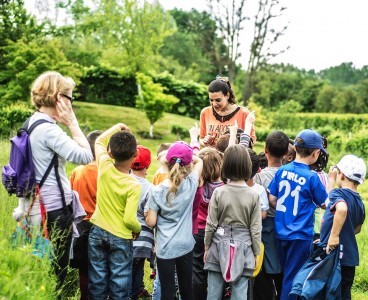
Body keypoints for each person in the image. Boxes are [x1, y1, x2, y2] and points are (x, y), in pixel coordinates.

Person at [28, 71, 93, 291]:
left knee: (42, 264)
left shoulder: (32, 123)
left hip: (38, 205)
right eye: (70, 98)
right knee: (57, 268)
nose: (71, 104)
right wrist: (73, 123)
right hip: (55, 209)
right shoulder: (49, 131)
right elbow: (85, 156)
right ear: (59, 98)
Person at [268, 129, 328, 300]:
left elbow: (272, 198)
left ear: (294, 147)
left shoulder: (282, 170)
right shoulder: (312, 178)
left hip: (280, 232)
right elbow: (326, 204)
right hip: (300, 236)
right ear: (316, 153)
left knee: (284, 273)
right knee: (293, 278)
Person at [88, 123, 142, 300]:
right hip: (120, 237)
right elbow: (129, 219)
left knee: (97, 281)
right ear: (135, 155)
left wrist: (118, 126)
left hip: (97, 231)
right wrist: (137, 229)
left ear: (110, 153)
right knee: (120, 283)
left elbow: (99, 141)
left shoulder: (104, 166)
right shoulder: (134, 184)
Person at [146, 141, 203, 300]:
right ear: (188, 165)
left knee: (167, 290)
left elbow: (151, 222)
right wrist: (188, 157)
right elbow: (200, 161)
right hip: (186, 245)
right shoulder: (191, 183)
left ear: (166, 163)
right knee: (186, 289)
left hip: (166, 247)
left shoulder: (157, 191)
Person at [204, 145, 262, 299]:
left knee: (213, 293)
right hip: (244, 247)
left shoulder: (219, 192)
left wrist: (206, 246)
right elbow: (255, 228)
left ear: (226, 165)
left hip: (218, 245)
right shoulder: (253, 195)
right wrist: (256, 252)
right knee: (240, 292)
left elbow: (211, 224)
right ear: (247, 166)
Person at [320, 155, 366, 300]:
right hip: (349, 258)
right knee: (344, 293)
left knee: (329, 293)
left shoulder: (337, 194)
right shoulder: (360, 202)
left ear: (342, 175)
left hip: (334, 258)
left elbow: (341, 209)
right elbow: (357, 228)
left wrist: (333, 237)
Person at [252, 130, 290, 300]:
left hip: (265, 226)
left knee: (265, 269)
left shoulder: (259, 177)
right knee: (283, 268)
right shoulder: (291, 175)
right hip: (287, 225)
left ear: (265, 149)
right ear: (286, 153)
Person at [70, 130, 102, 300]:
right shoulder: (107, 173)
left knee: (84, 269)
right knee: (101, 267)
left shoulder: (77, 171)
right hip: (101, 224)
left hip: (80, 224)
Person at [193, 147, 223, 300]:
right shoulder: (225, 187)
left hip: (198, 231)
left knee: (197, 270)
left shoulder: (197, 186)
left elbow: (193, 155)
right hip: (218, 233)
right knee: (214, 270)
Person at [199, 76, 256, 147]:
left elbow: (252, 141)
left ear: (227, 95)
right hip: (212, 157)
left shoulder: (244, 113)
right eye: (211, 100)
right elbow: (201, 139)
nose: (214, 104)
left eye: (218, 100)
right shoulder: (205, 112)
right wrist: (205, 141)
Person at [130, 145, 154, 300]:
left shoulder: (122, 181)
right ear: (148, 165)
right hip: (143, 240)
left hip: (125, 237)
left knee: (126, 272)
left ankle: (132, 293)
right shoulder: (151, 188)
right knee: (137, 268)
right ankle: (135, 293)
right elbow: (150, 218)